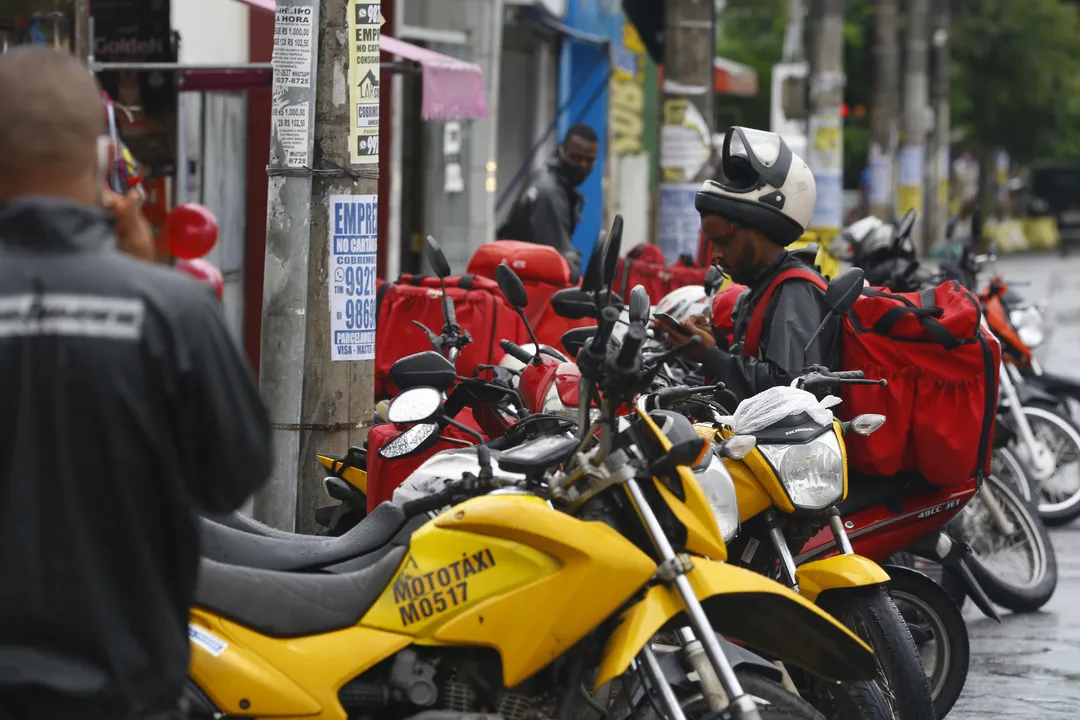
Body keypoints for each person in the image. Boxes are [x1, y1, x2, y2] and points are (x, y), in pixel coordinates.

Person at [0, 47, 271, 719]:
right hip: (124, 692)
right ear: (98, 160)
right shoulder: (170, 312)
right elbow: (232, 477)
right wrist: (143, 274)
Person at [660, 126, 839, 403]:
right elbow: (755, 363)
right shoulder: (757, 292)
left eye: (722, 241)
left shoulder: (794, 291)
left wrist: (711, 356)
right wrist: (713, 340)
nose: (716, 255)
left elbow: (790, 389)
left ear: (759, 230)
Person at [496, 124, 600, 276]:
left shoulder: (549, 181)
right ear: (560, 152)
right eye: (576, 157)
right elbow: (560, 262)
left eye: (589, 160)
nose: (582, 165)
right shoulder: (549, 193)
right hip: (522, 285)